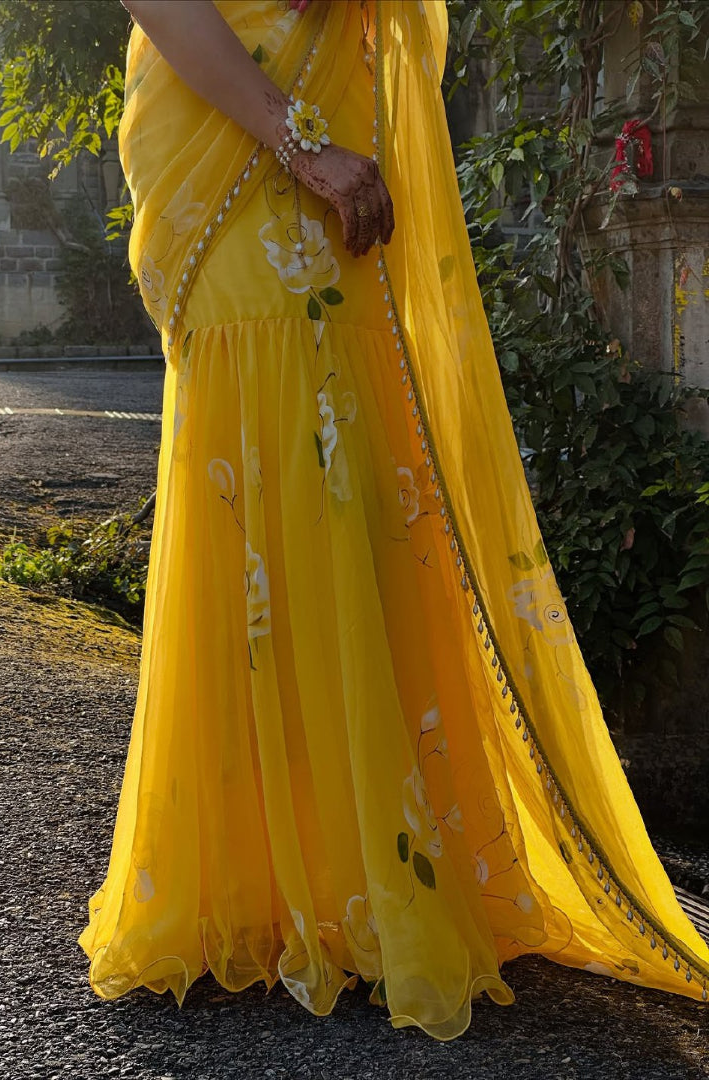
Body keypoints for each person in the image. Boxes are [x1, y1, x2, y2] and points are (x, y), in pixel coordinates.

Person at [78, 0, 709, 1040]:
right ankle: (275, 884)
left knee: (350, 487)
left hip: (327, 112)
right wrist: (298, 138)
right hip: (234, 131)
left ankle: (355, 876)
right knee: (274, 473)